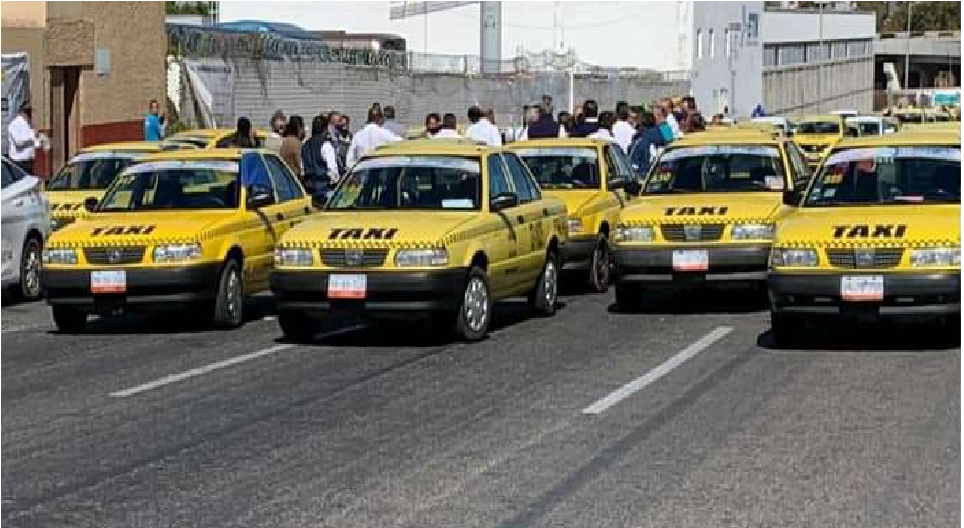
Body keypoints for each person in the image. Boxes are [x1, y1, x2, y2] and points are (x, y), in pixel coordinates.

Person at [301, 114, 341, 195]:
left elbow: (302, 168)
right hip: (324, 189)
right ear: (325, 129)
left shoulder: (305, 145)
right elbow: (333, 170)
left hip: (309, 189)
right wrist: (335, 182)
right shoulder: (326, 145)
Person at [628, 111, 667, 176]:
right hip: (662, 177)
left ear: (642, 125)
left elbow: (633, 164)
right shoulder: (664, 140)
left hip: (645, 178)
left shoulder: (640, 142)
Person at [7, 102, 38, 174]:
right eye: (27, 111)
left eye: (30, 111)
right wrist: (33, 135)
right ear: (22, 112)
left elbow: (33, 141)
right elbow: (18, 142)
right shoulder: (14, 124)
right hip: (18, 163)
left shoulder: (28, 124)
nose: (29, 114)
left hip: (30, 161)